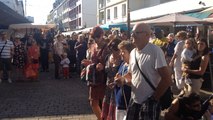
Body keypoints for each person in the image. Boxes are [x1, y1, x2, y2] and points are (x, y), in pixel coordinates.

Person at [122, 23, 172, 120]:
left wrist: (154, 98)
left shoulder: (155, 51)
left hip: (149, 102)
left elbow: (167, 79)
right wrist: (122, 79)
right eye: (132, 32)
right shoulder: (133, 52)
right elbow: (131, 75)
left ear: (147, 35)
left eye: (137, 33)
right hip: (134, 100)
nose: (132, 35)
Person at [81, 26, 110, 120]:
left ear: (102, 35)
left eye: (97, 36)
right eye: (94, 37)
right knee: (93, 102)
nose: (96, 39)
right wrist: (88, 63)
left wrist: (101, 66)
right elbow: (92, 61)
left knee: (103, 102)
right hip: (93, 79)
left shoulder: (107, 47)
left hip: (103, 79)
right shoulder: (93, 47)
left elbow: (110, 63)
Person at [101, 38, 122, 120]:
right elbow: (105, 71)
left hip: (117, 88)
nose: (113, 53)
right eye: (112, 50)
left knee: (115, 112)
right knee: (107, 109)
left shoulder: (122, 60)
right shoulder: (108, 57)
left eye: (115, 51)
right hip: (108, 88)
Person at [114, 41, 134, 120]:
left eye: (123, 52)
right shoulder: (123, 64)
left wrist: (123, 80)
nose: (121, 54)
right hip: (120, 103)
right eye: (120, 51)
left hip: (128, 105)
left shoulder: (133, 66)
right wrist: (116, 81)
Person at [169, 31, 188, 96]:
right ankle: (185, 90)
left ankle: (182, 90)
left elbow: (175, 54)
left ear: (182, 36)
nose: (177, 37)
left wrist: (171, 61)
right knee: (184, 76)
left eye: (178, 36)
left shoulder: (179, 43)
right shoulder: (188, 42)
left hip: (178, 62)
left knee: (178, 76)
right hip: (185, 62)